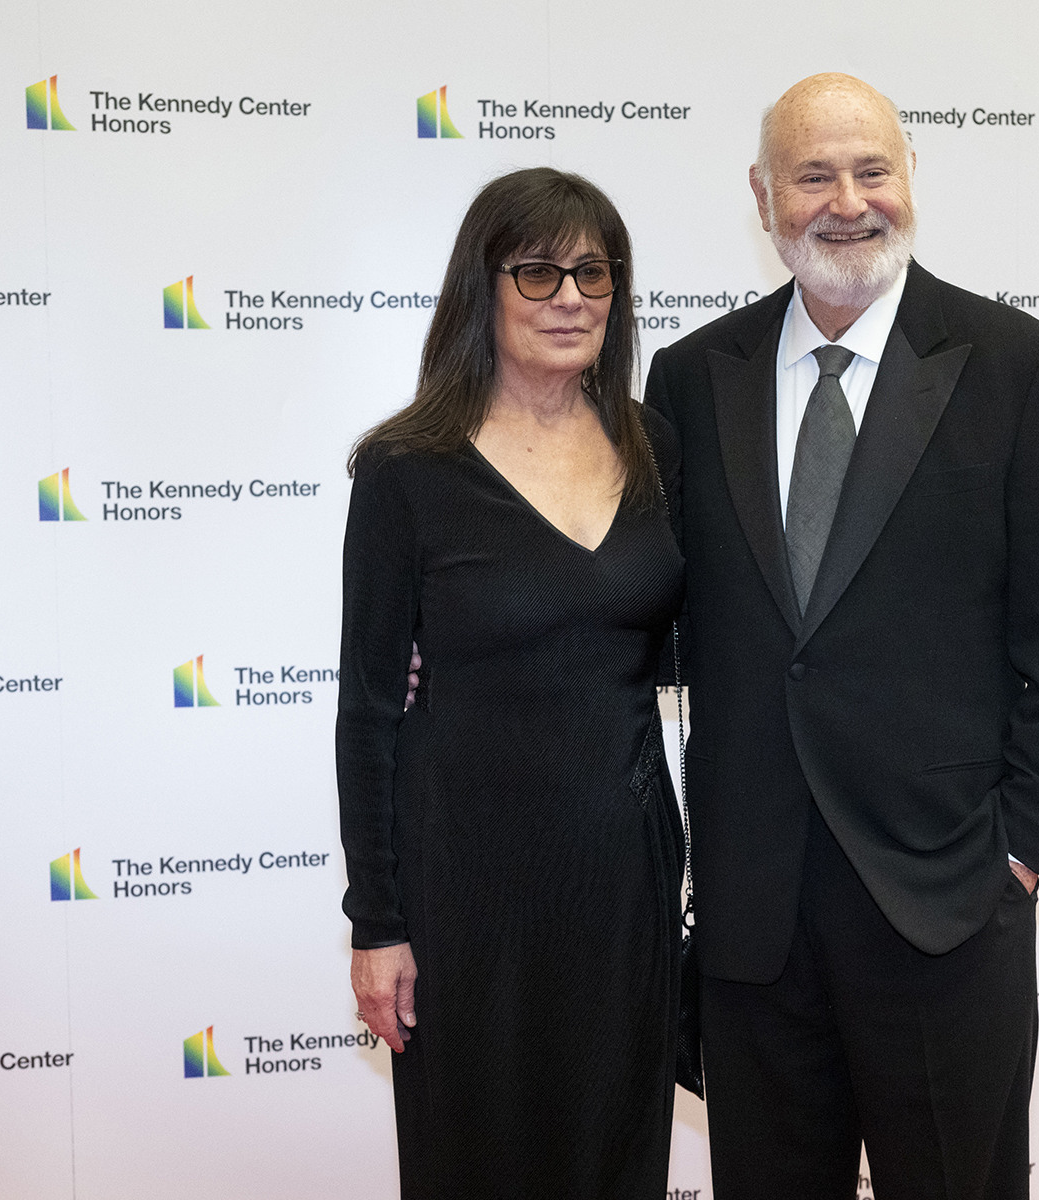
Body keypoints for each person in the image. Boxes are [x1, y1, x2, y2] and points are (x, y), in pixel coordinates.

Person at [644, 74, 1039, 1199]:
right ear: (764, 196)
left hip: (947, 905)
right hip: (752, 921)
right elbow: (653, 608)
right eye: (814, 174)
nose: (847, 201)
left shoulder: (1022, 369)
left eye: (872, 169)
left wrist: (1021, 846)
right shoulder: (689, 380)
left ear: (912, 176)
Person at [336, 167, 685, 1199]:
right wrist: (378, 921)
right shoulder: (409, 469)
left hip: (622, 877)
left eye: (593, 271)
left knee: (615, 1151)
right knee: (475, 1160)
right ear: (481, 288)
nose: (569, 296)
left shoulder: (652, 442)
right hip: (463, 889)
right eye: (537, 272)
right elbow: (366, 715)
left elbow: (679, 641)